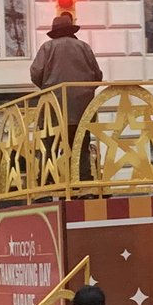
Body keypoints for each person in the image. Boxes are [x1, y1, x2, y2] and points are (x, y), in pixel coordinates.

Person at [31, 13, 104, 184]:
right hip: (82, 110)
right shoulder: (84, 47)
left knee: (49, 145)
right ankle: (83, 182)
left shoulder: (47, 48)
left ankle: (46, 182)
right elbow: (97, 75)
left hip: (54, 109)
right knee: (81, 147)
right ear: (71, 30)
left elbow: (35, 73)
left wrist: (47, 87)